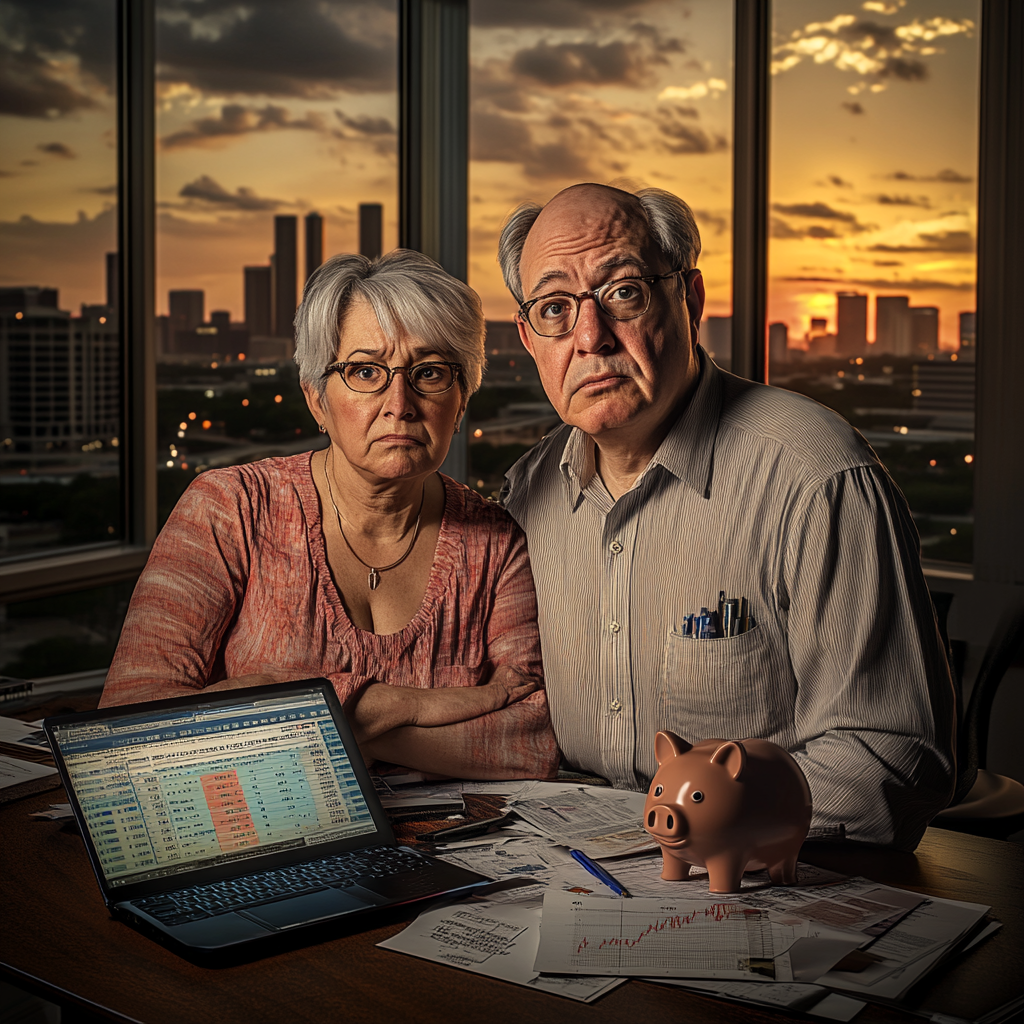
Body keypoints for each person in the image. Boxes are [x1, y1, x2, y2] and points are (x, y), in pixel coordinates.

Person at [498, 182, 955, 848]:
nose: (589, 337)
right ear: (528, 336)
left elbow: (889, 763)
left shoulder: (815, 475)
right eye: (556, 308)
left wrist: (679, 826)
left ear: (690, 298)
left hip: (772, 880)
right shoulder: (526, 496)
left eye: (623, 293)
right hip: (568, 873)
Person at [101, 249, 558, 781]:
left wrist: (327, 720)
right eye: (366, 371)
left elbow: (534, 742)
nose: (399, 402)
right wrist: (394, 705)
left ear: (461, 401)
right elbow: (130, 721)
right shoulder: (230, 508)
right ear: (317, 399)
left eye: (430, 373)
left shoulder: (496, 543)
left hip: (455, 848)